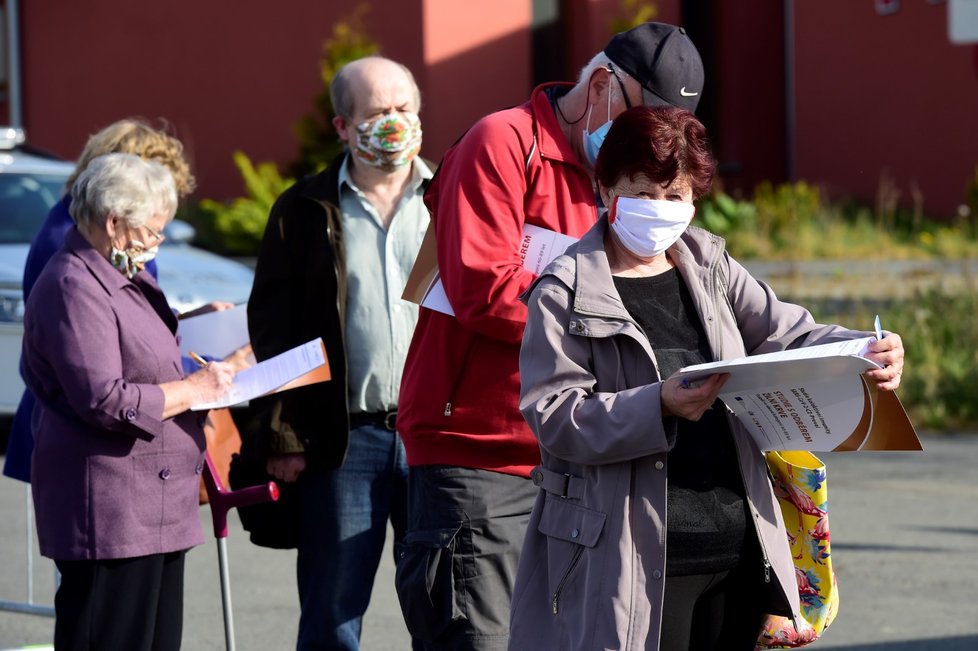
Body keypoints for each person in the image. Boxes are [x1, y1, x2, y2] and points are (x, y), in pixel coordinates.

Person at [510, 105, 906, 650]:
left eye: (674, 196)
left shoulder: (707, 262)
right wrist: (658, 405)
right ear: (606, 190)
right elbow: (554, 416)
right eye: (642, 192)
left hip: (737, 547)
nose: (659, 209)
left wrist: (865, 349)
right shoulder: (563, 289)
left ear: (694, 200)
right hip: (632, 557)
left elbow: (788, 334)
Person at [394, 22, 704, 649]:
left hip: (581, 459)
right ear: (598, 87)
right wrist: (611, 325)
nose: (650, 153)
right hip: (480, 458)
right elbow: (485, 289)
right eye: (641, 128)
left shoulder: (628, 181)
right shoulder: (503, 143)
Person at [247, 55, 430, 650]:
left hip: (437, 438)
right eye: (378, 112)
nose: (395, 123)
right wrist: (282, 435)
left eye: (405, 109)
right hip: (344, 440)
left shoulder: (451, 199)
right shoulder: (303, 211)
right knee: (332, 611)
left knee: (447, 605)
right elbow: (276, 331)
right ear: (343, 127)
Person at [20, 153, 236, 651]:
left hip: (152, 504)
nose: (157, 242)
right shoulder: (75, 283)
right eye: (153, 230)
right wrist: (196, 390)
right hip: (111, 507)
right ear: (114, 223)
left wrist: (200, 325)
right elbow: (103, 397)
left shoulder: (118, 271)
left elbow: (139, 345)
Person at [3, 118, 203, 483]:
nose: (157, 236)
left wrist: (187, 320)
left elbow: (127, 319)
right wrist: (192, 388)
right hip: (89, 444)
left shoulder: (100, 235)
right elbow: (99, 375)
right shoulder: (79, 248)